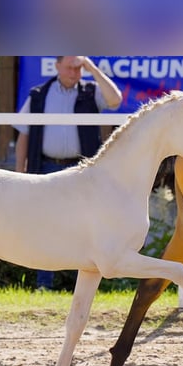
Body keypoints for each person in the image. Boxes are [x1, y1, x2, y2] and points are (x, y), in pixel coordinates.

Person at [13, 56, 123, 290]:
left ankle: (80, 286)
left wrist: (93, 69)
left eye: (79, 68)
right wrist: (19, 171)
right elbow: (24, 134)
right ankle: (44, 284)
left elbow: (115, 101)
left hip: (81, 171)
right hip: (46, 167)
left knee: (85, 226)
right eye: (71, 67)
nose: (76, 72)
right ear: (58, 66)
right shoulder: (38, 94)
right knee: (45, 224)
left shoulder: (90, 91)